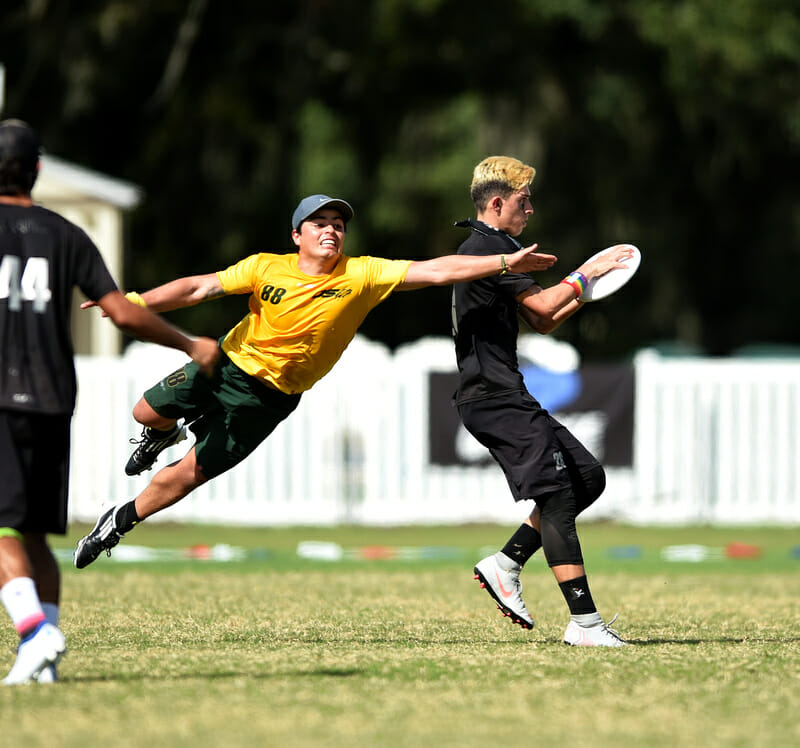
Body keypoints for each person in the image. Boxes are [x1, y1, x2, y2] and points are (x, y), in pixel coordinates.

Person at [72, 193, 558, 568]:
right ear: (297, 235)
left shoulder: (363, 274)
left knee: (187, 475)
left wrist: (503, 262)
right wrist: (133, 301)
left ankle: (117, 521)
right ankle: (163, 432)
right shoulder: (266, 266)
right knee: (143, 412)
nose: (331, 231)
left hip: (270, 399)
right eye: (320, 224)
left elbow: (434, 272)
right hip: (223, 363)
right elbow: (200, 287)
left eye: (339, 225)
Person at [0, 119, 220, 685]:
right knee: (32, 535)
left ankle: (34, 632)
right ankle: (40, 665)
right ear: (38, 170)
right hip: (52, 398)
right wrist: (188, 342)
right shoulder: (65, 234)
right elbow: (122, 311)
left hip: (1, 396)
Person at [452, 156, 633, 647]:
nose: (530, 209)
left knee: (586, 478)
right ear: (497, 203)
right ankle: (585, 624)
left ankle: (506, 562)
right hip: (493, 397)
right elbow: (544, 305)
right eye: (522, 201)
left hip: (503, 393)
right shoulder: (488, 247)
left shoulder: (498, 249)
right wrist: (585, 272)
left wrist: (586, 289)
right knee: (557, 495)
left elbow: (544, 320)